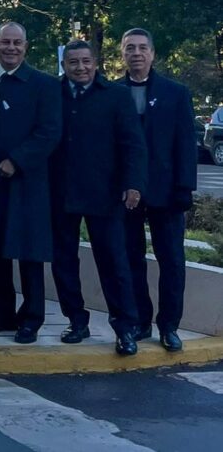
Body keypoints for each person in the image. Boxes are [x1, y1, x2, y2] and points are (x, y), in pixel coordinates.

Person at [50, 40, 146, 356]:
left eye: (85, 61)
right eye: (73, 62)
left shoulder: (115, 95)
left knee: (114, 262)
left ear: (95, 63)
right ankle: (76, 321)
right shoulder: (53, 93)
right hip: (61, 192)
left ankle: (125, 327)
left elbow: (133, 143)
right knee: (64, 261)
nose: (80, 68)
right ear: (64, 65)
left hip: (105, 193)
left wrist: (133, 184)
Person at [0, 22, 61, 344]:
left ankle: (32, 319)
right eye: (5, 42)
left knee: (29, 254)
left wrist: (16, 160)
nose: (11, 48)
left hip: (28, 182)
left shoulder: (45, 85)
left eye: (17, 42)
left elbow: (49, 132)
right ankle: (2, 314)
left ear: (26, 46)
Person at [118, 28, 198, 352]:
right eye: (130, 48)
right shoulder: (113, 92)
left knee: (172, 262)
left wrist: (184, 188)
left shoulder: (175, 93)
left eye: (142, 48)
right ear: (122, 54)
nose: (136, 53)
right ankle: (140, 321)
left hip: (167, 193)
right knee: (131, 260)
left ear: (152, 54)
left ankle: (169, 326)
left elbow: (185, 145)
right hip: (127, 194)